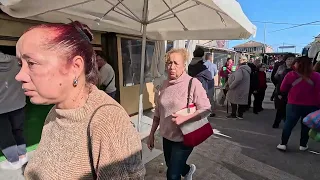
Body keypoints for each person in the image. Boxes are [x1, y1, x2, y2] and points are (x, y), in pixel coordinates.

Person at [16, 21, 145, 179]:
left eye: (31, 63)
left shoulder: (107, 122)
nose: (19, 75)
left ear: (75, 67)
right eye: (19, 64)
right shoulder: (56, 111)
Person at [148, 48, 211, 180]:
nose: (172, 67)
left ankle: (184, 170)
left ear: (184, 65)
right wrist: (151, 134)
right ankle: (188, 170)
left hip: (184, 137)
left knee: (172, 175)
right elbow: (158, 112)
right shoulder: (164, 85)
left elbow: (206, 109)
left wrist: (185, 117)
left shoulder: (193, 83)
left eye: (176, 63)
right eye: (169, 63)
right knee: (172, 165)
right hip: (166, 137)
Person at [277, 56, 320, 151]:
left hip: (293, 104)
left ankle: (283, 144)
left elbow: (282, 88)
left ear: (297, 64)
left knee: (289, 124)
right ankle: (303, 145)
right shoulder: (317, 76)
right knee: (306, 125)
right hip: (312, 105)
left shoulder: (291, 75)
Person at [0, 52, 27, 170]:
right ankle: (22, 155)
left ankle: (14, 161)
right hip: (19, 103)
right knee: (17, 130)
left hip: (1, 108)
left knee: (4, 136)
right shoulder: (16, 61)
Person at [272, 54, 295, 128]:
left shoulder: (296, 69)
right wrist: (278, 92)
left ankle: (287, 123)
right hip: (281, 91)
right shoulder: (281, 68)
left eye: (292, 59)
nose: (290, 61)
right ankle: (276, 123)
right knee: (280, 108)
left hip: (292, 92)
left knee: (290, 110)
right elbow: (276, 79)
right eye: (289, 59)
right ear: (285, 60)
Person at [203, 52, 218, 117]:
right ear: (211, 58)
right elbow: (215, 73)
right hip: (210, 81)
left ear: (206, 57)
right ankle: (211, 112)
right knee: (210, 97)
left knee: (203, 96)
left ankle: (203, 111)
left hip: (203, 81)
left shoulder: (203, 65)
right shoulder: (213, 65)